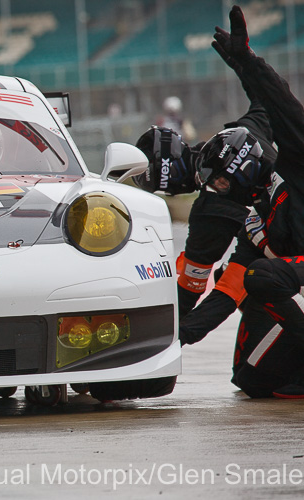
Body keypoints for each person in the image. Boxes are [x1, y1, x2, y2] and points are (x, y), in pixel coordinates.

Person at [179, 5, 304, 399]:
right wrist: (170, 337)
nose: (214, 189)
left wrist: (248, 61)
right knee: (249, 380)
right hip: (294, 273)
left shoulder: (295, 160)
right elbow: (226, 294)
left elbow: (281, 102)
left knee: (262, 277)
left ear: (242, 171)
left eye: (218, 180)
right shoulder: (255, 219)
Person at [133, 85, 275, 320]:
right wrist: (245, 64)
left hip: (286, 259)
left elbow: (191, 288)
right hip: (289, 225)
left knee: (234, 279)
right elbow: (269, 95)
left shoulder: (207, 213)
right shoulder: (242, 132)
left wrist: (167, 331)